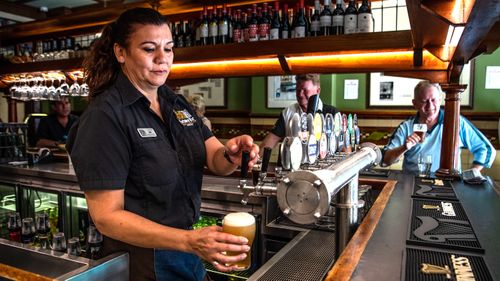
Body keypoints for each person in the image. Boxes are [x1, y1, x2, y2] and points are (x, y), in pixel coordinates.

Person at [65, 8, 259, 281]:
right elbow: (106, 217)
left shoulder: (174, 102)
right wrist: (188, 241)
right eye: (149, 49)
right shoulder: (106, 116)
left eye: (168, 49)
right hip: (144, 260)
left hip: (188, 249)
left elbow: (214, 155)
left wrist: (232, 155)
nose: (162, 59)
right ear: (121, 53)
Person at [382, 81, 496, 174]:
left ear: (441, 100)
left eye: (433, 100)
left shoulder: (455, 122)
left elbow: (486, 148)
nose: (430, 106)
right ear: (415, 103)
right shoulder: (406, 127)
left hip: (449, 184)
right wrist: (404, 147)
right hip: (411, 184)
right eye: (424, 101)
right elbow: (385, 161)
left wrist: (473, 172)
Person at [260, 73, 339, 150]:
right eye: (298, 90)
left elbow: (345, 150)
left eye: (305, 90)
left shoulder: (332, 113)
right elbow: (268, 143)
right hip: (294, 162)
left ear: (318, 91)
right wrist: (254, 157)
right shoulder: (287, 113)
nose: (300, 94)